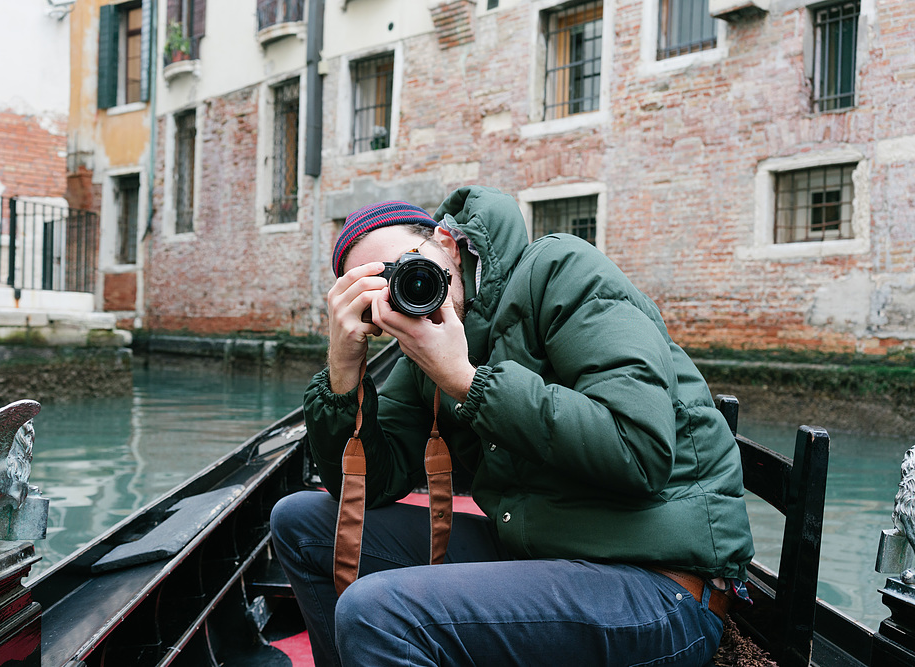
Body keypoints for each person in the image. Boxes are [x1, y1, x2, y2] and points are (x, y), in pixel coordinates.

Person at [270, 186, 754, 666]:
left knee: (376, 611)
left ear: (447, 242)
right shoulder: (423, 347)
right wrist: (342, 371)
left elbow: (638, 450)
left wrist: (465, 379)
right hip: (539, 555)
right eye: (381, 287)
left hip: (657, 584)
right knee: (300, 523)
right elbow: (368, 485)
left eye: (408, 265)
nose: (407, 288)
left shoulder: (561, 271)